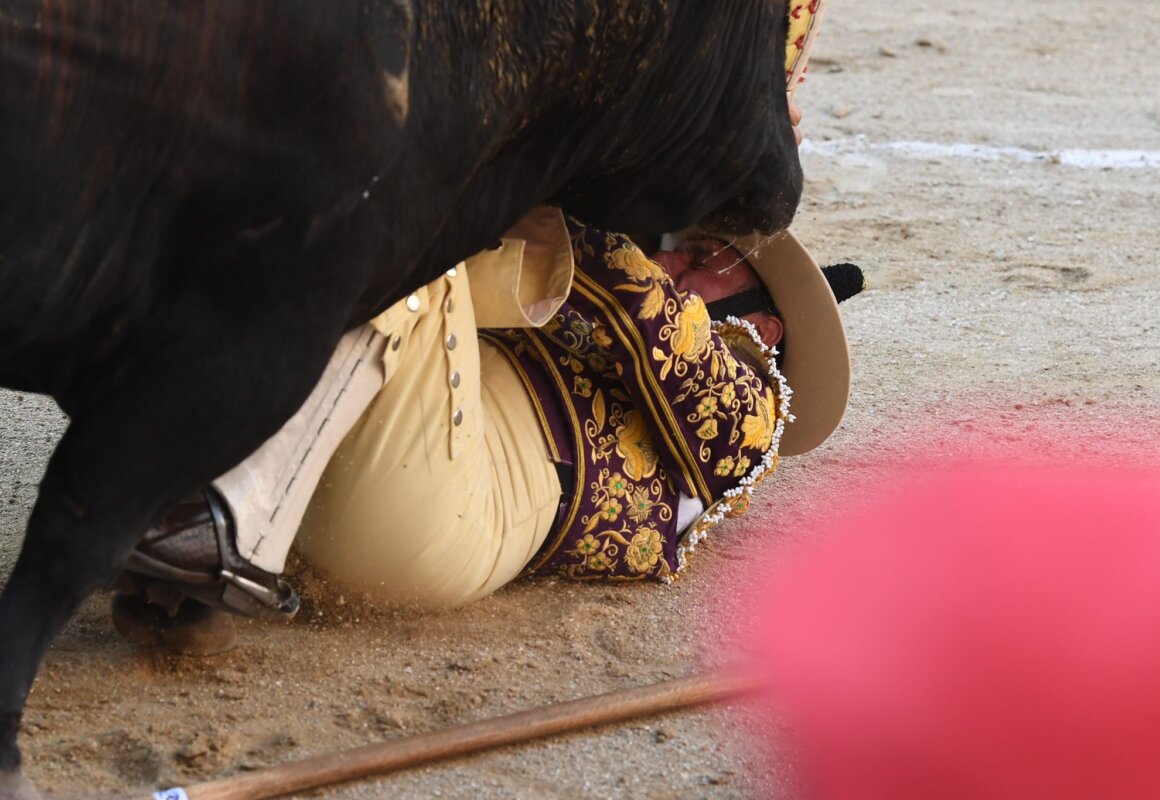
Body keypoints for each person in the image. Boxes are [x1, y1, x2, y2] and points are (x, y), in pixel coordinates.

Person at [113, 103, 857, 655]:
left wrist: (545, 141)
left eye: (700, 263)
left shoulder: (752, 410)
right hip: (371, 484)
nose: (669, 261)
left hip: (444, 517)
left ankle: (225, 523)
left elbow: (641, 306)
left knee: (411, 254)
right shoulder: (584, 320)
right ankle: (201, 521)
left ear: (765, 328)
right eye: (680, 249)